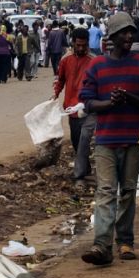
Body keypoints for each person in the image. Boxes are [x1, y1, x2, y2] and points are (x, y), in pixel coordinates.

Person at [78, 12, 139, 265]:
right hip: (105, 140)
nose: (128, 36)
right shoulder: (97, 66)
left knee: (126, 192)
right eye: (123, 32)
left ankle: (125, 241)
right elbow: (87, 101)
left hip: (134, 140)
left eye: (130, 32)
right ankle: (102, 245)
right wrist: (107, 103)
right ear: (111, 37)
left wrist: (129, 98)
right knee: (105, 191)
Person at [53, 32, 96, 183]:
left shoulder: (93, 61)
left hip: (87, 107)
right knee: (76, 140)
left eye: (84, 45)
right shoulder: (65, 60)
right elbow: (60, 79)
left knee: (84, 138)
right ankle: (86, 167)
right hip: (71, 109)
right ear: (72, 43)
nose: (81, 48)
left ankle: (79, 174)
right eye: (78, 45)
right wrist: (55, 94)